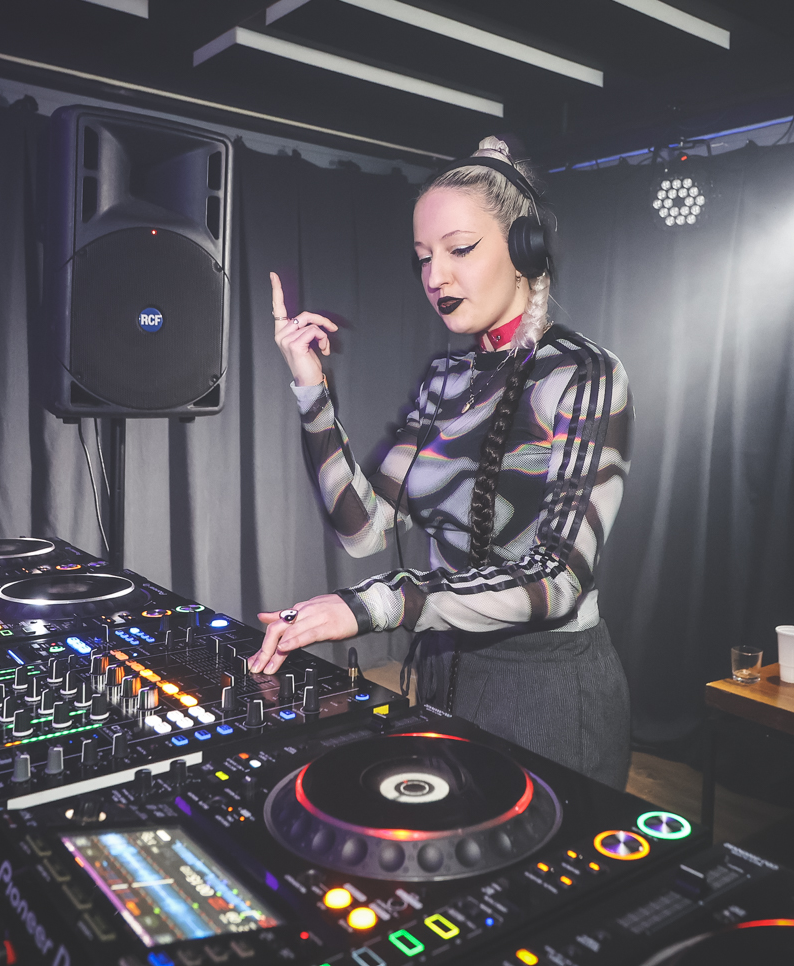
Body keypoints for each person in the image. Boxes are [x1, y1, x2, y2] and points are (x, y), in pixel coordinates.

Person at [248, 137, 634, 788]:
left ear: (524, 250)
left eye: (459, 249)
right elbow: (364, 529)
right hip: (442, 673)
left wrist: (377, 604)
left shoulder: (587, 374)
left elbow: (558, 580)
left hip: (546, 686)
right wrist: (312, 391)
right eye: (424, 257)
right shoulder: (445, 379)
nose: (435, 277)